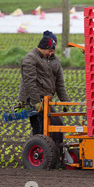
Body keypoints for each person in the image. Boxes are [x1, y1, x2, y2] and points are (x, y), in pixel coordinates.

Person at [17, 30, 70, 161]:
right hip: (36, 99)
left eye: (54, 48)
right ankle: (50, 157)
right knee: (51, 126)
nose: (53, 51)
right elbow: (27, 82)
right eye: (51, 49)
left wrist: (65, 101)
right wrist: (32, 101)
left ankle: (47, 157)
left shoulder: (54, 61)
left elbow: (59, 84)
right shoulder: (30, 59)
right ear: (46, 46)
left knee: (42, 129)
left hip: (47, 100)